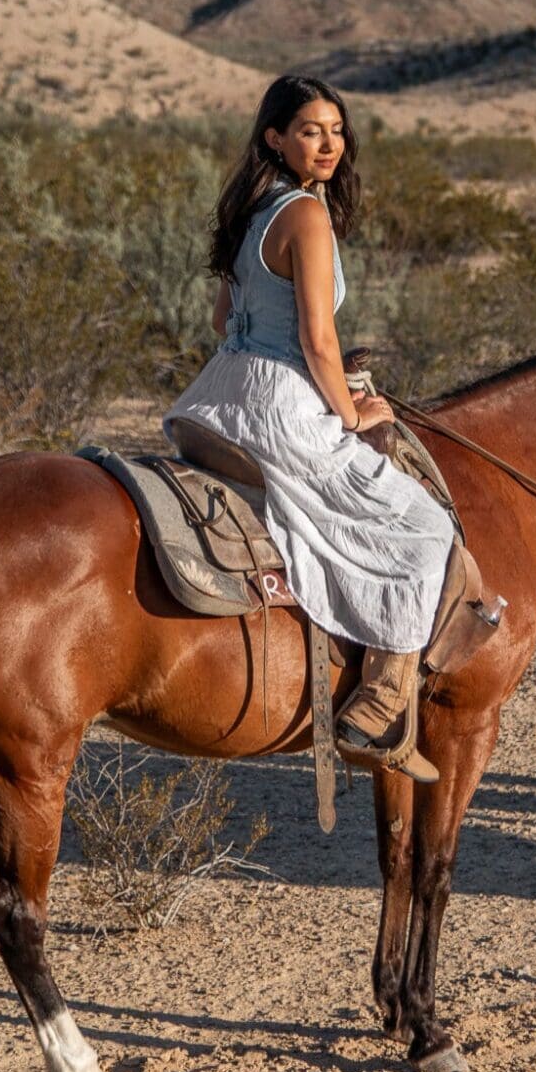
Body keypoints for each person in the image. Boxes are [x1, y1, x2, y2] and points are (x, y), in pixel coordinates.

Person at [162, 74, 456, 783]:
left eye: (335, 130)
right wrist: (354, 413)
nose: (328, 144)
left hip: (216, 399)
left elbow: (218, 321)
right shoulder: (305, 216)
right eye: (309, 132)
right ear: (275, 138)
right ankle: (380, 699)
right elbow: (318, 340)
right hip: (277, 409)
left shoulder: (251, 208)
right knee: (424, 530)